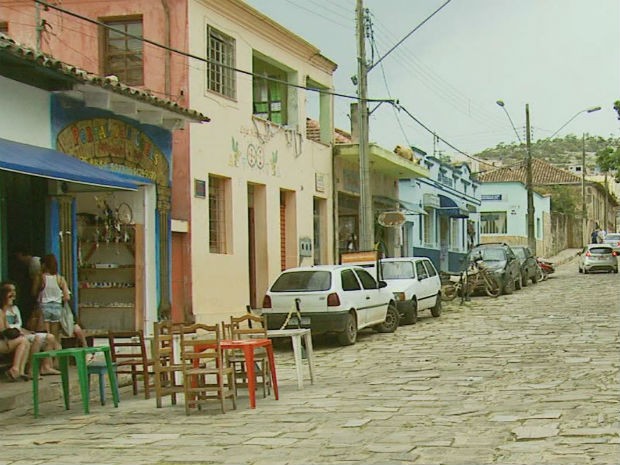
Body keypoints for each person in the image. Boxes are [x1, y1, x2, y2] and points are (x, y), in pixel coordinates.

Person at [1, 281, 60, 376]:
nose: (13, 294)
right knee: (37, 339)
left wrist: (28, 332)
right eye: (10, 291)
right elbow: (6, 329)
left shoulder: (15, 308)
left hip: (20, 332)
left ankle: (46, 366)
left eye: (14, 291)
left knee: (50, 337)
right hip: (13, 335)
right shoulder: (2, 311)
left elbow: (19, 325)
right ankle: (31, 370)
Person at [33, 253, 88, 348]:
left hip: (44, 307)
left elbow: (34, 292)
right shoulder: (60, 279)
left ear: (44, 265)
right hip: (57, 307)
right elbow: (67, 297)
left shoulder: (41, 277)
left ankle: (48, 360)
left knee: (47, 336)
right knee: (55, 336)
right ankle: (56, 358)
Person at [0, 286, 31, 381]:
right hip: (2, 341)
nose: (12, 299)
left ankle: (19, 370)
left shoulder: (3, 312)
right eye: (9, 297)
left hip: (4, 340)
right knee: (23, 341)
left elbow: (8, 329)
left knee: (25, 341)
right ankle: (15, 369)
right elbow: (2, 331)